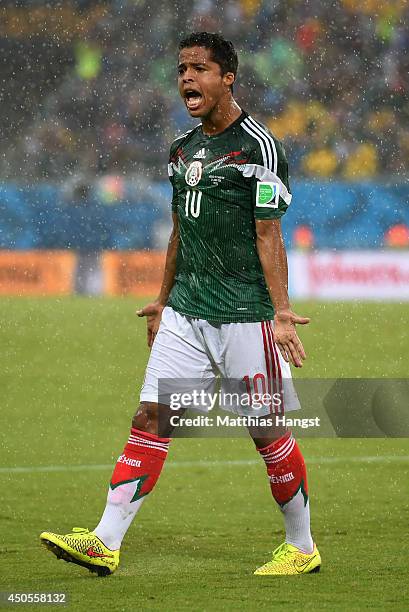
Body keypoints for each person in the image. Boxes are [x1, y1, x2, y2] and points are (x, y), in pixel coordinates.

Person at [40, 32, 321, 577]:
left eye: (200, 68)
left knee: (267, 433)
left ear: (228, 78)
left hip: (244, 314)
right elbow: (179, 230)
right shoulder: (182, 148)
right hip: (187, 312)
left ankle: (303, 546)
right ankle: (104, 540)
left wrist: (281, 314)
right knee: (151, 417)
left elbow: (270, 235)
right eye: (182, 69)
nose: (187, 78)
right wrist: (163, 300)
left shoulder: (260, 147)